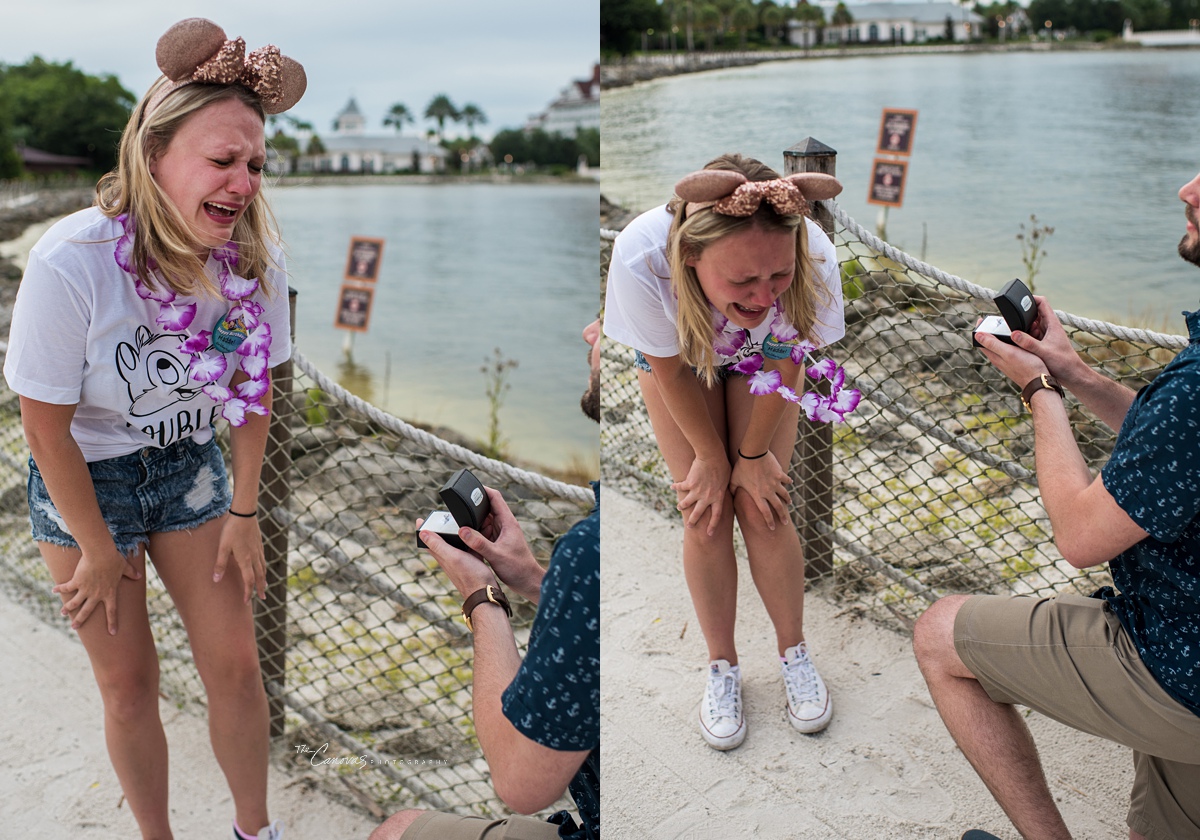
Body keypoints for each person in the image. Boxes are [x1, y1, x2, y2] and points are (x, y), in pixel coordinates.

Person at [3, 18, 305, 840]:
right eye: (221, 161)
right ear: (153, 155)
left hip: (190, 469)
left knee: (238, 669)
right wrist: (99, 548)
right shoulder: (73, 261)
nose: (243, 183)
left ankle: (256, 831)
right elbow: (44, 425)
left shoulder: (253, 263)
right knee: (129, 684)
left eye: (254, 164)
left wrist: (244, 512)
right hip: (85, 477)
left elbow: (250, 390)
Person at [912, 172, 1200, 839]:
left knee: (939, 637)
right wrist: (1075, 371)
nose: (1187, 189)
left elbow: (1078, 534)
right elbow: (1175, 453)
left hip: (1177, 661)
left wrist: (1040, 391)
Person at [603, 154, 857, 750]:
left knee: (765, 505)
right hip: (682, 362)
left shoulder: (812, 253)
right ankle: (722, 666)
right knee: (705, 509)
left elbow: (788, 355)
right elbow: (667, 370)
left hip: (766, 364)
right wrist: (711, 461)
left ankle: (794, 652)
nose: (763, 295)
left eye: (776, 277)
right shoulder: (643, 256)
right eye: (742, 281)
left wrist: (749, 458)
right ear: (690, 256)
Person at [369, 320, 601, 840]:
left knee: (396, 832)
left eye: (609, 323)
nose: (589, 332)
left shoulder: (589, 549)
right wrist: (537, 580)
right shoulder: (601, 539)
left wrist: (481, 594)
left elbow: (520, 783)